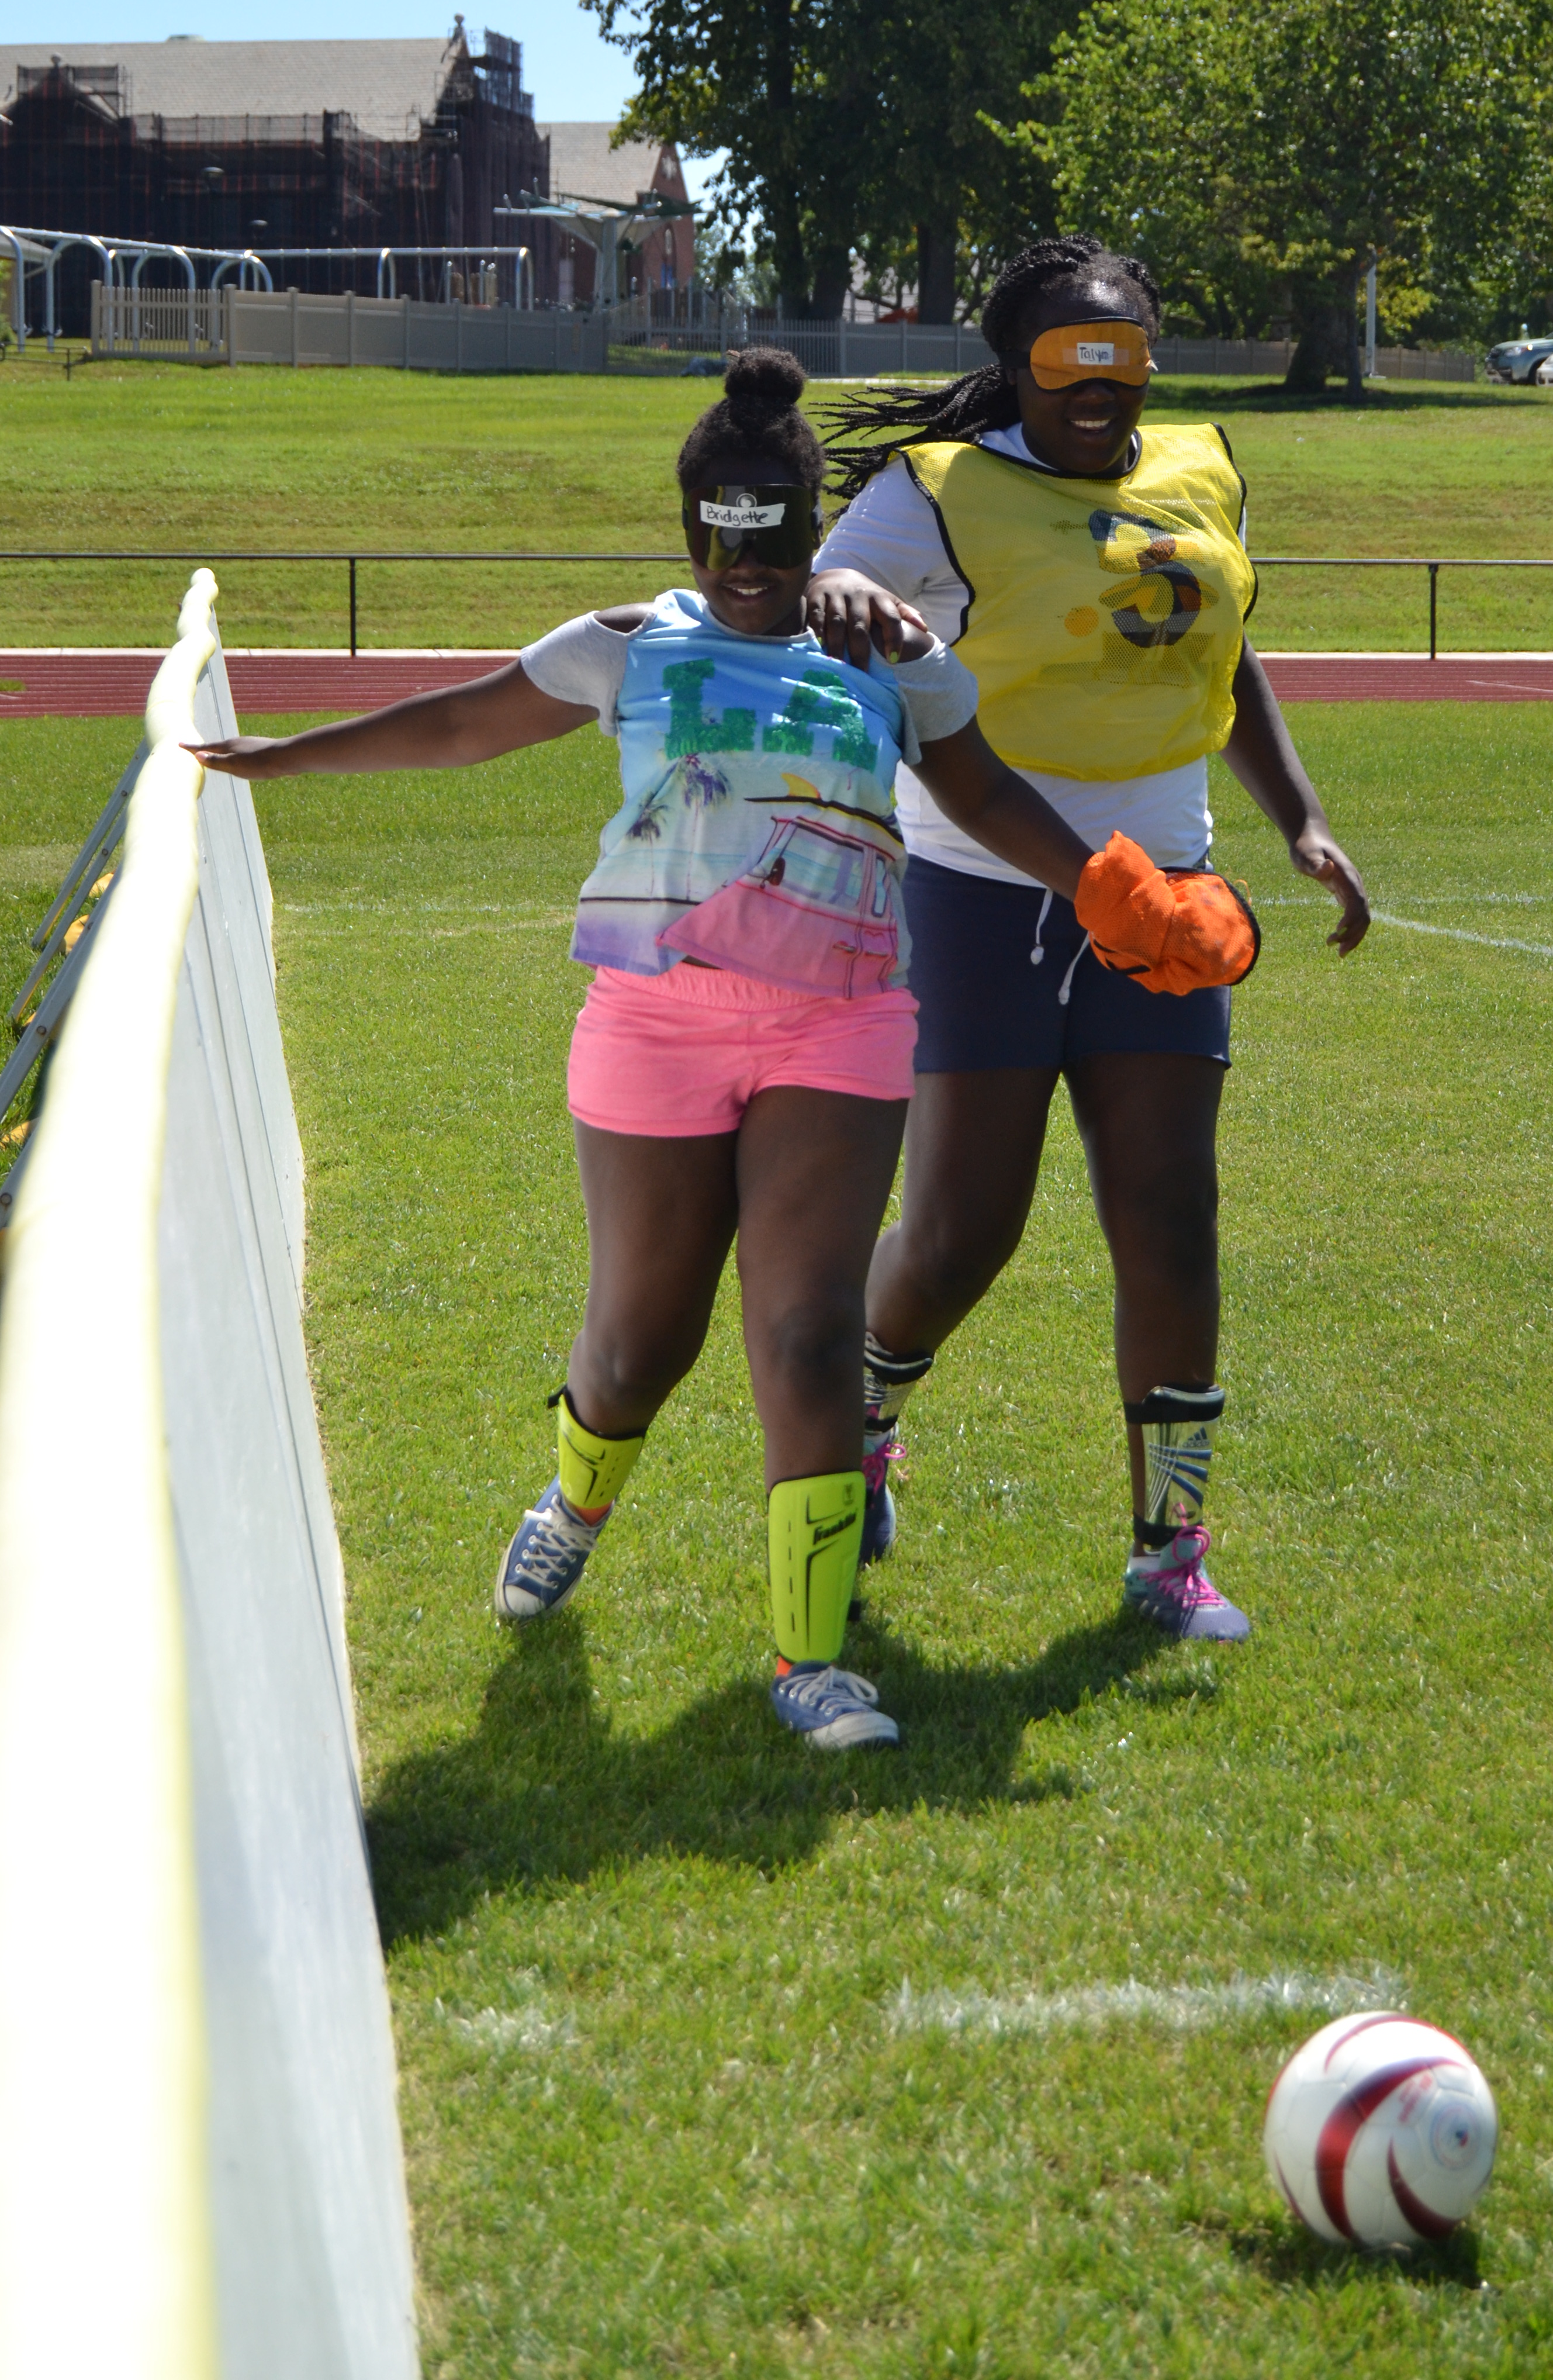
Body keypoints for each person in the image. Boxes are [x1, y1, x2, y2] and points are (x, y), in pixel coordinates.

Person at [186, 348, 1237, 1751]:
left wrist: (1116, 893)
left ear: (815, 529)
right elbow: (458, 729)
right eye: (723, 539)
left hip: (841, 1027)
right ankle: (574, 1498)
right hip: (655, 1026)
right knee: (638, 1348)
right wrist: (283, 756)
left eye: (778, 536)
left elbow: (978, 789)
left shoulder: (885, 650)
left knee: (805, 1338)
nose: (749, 567)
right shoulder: (626, 642)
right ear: (692, 533)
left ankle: (811, 1666)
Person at [805, 236, 1371, 1643]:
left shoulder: (1200, 469)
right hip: (979, 897)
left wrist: (1299, 818)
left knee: (1173, 1217)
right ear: (1015, 368)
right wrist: (845, 606)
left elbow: (1220, 657)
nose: (1100, 387)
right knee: (960, 1236)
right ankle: (865, 1407)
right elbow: (811, 613)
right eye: (1069, 362)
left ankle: (1168, 1553)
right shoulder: (929, 494)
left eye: (1125, 358)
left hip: (1168, 897)